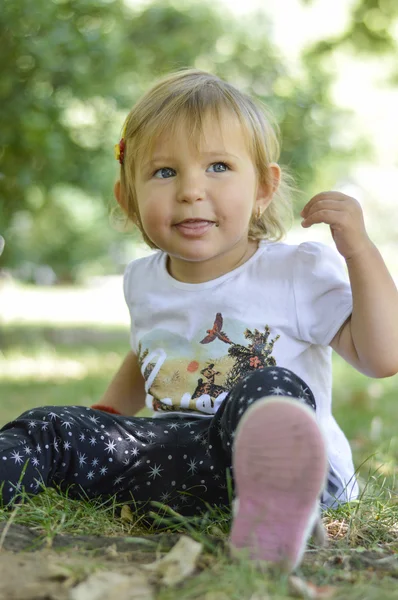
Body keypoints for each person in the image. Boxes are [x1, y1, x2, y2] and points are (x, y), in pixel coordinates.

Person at [1, 69, 397, 571]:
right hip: (177, 461)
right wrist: (105, 421)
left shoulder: (293, 273)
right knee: (50, 427)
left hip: (277, 463)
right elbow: (151, 349)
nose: (190, 189)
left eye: (217, 166)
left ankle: (275, 515)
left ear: (264, 188)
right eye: (164, 173)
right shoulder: (142, 279)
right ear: (129, 200)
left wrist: (359, 252)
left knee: (273, 387)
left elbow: (384, 357)